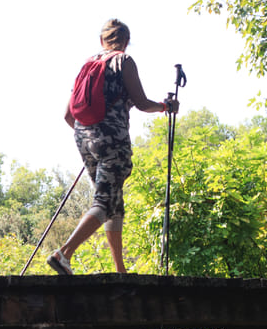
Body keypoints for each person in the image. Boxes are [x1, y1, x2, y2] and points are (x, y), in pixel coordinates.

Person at [47, 18, 177, 276]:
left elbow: (67, 116)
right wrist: (165, 107)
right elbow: (141, 103)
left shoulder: (87, 65)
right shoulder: (123, 61)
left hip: (83, 137)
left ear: (101, 41)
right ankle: (64, 253)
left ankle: (120, 269)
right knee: (105, 201)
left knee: (114, 201)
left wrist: (92, 138)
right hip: (113, 139)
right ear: (126, 42)